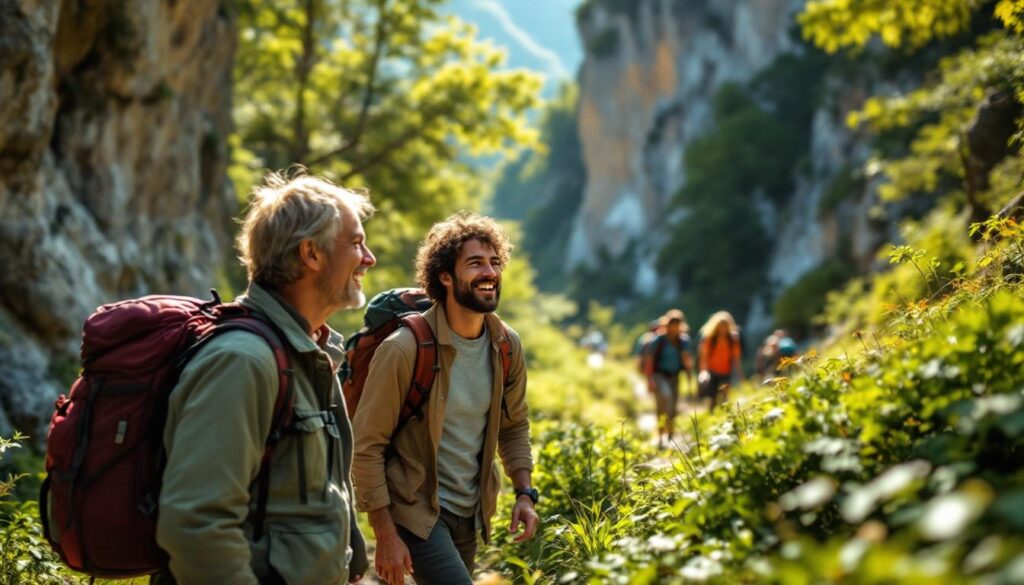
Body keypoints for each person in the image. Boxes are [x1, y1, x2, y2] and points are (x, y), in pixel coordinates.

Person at [154, 172, 374, 584]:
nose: (369, 258)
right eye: (357, 242)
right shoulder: (242, 361)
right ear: (311, 253)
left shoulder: (309, 353)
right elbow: (197, 524)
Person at [352, 212, 538, 585]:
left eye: (494, 262)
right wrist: (385, 534)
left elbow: (513, 425)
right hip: (415, 512)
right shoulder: (404, 349)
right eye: (475, 263)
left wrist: (524, 493)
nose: (489, 272)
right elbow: (367, 446)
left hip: (470, 512)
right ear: (445, 276)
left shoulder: (506, 345)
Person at [642, 310, 693, 448]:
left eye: (677, 324)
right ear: (667, 324)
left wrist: (689, 376)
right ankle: (660, 434)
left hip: (675, 376)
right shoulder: (658, 340)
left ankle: (670, 434)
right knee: (664, 399)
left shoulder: (683, 341)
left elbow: (687, 359)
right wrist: (649, 379)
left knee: (673, 406)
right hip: (659, 375)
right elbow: (649, 361)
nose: (674, 327)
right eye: (672, 323)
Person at [697, 311, 742, 411]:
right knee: (713, 399)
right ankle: (712, 418)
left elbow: (736, 358)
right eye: (721, 325)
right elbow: (703, 357)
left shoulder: (733, 339)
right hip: (712, 372)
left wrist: (740, 376)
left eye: (725, 325)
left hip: (726, 372)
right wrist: (703, 372)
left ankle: (724, 418)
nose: (723, 328)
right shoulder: (709, 339)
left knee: (725, 398)